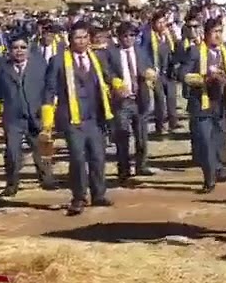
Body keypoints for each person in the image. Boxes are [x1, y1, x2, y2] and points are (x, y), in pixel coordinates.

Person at [43, 21, 115, 216]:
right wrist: (47, 121)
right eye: (77, 38)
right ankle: (79, 196)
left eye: (84, 37)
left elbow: (108, 78)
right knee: (77, 158)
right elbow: (49, 90)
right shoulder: (58, 61)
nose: (81, 41)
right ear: (70, 39)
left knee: (98, 157)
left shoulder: (98, 57)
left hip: (95, 117)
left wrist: (117, 85)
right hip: (72, 119)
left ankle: (99, 194)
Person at [0, 34, 55, 197]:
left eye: (23, 47)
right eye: (15, 48)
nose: (19, 51)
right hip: (13, 118)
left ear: (28, 49)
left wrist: (48, 113)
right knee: (11, 152)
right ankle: (11, 184)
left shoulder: (40, 65)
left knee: (40, 149)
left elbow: (48, 90)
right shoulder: (2, 68)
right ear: (9, 51)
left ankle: (47, 180)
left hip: (36, 115)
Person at [180, 17, 226, 193]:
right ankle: (209, 178)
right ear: (206, 34)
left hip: (221, 103)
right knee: (206, 142)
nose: (218, 35)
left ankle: (221, 169)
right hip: (202, 103)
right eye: (215, 32)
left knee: (221, 139)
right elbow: (182, 74)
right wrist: (205, 78)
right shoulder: (195, 51)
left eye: (221, 31)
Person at [107, 22, 156, 183]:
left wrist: (149, 74)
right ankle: (124, 169)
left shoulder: (141, 52)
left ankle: (142, 165)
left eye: (132, 36)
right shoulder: (112, 53)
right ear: (119, 37)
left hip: (140, 98)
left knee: (141, 135)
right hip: (122, 100)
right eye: (125, 36)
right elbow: (107, 72)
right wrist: (116, 84)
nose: (129, 39)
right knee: (123, 135)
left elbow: (150, 67)